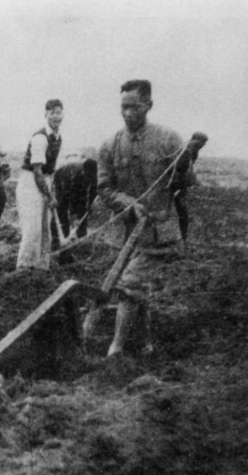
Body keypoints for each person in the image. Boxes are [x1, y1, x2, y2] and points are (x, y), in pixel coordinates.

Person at [97, 79, 185, 357]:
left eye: (133, 107)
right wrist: (128, 203)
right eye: (123, 107)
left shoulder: (169, 140)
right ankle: (145, 344)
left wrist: (185, 166)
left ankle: (117, 350)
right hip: (126, 234)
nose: (127, 113)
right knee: (135, 288)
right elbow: (104, 189)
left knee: (129, 284)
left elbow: (185, 184)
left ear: (148, 105)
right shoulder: (110, 146)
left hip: (158, 232)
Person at [16, 99, 64, 270]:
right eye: (52, 113)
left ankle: (42, 268)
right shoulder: (40, 138)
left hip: (45, 181)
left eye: (59, 113)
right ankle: (23, 268)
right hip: (30, 183)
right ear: (46, 115)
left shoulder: (57, 138)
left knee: (46, 230)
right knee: (33, 229)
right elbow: (37, 171)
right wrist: (49, 196)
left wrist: (51, 193)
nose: (56, 117)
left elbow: (50, 171)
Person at [170, 131, 208, 244]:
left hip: (180, 187)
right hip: (175, 186)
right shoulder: (185, 150)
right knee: (180, 213)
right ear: (197, 141)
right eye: (202, 143)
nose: (202, 146)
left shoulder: (193, 152)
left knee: (181, 213)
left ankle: (182, 239)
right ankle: (181, 239)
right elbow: (178, 169)